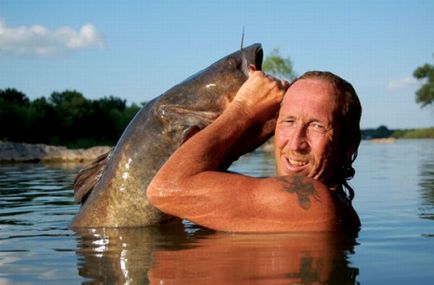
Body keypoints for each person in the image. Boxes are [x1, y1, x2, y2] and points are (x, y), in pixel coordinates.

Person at [147, 69, 362, 233]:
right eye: (288, 121)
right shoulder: (327, 204)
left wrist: (244, 109)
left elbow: (163, 189)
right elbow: (194, 184)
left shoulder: (316, 204)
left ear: (348, 146)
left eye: (317, 126)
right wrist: (246, 138)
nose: (296, 143)